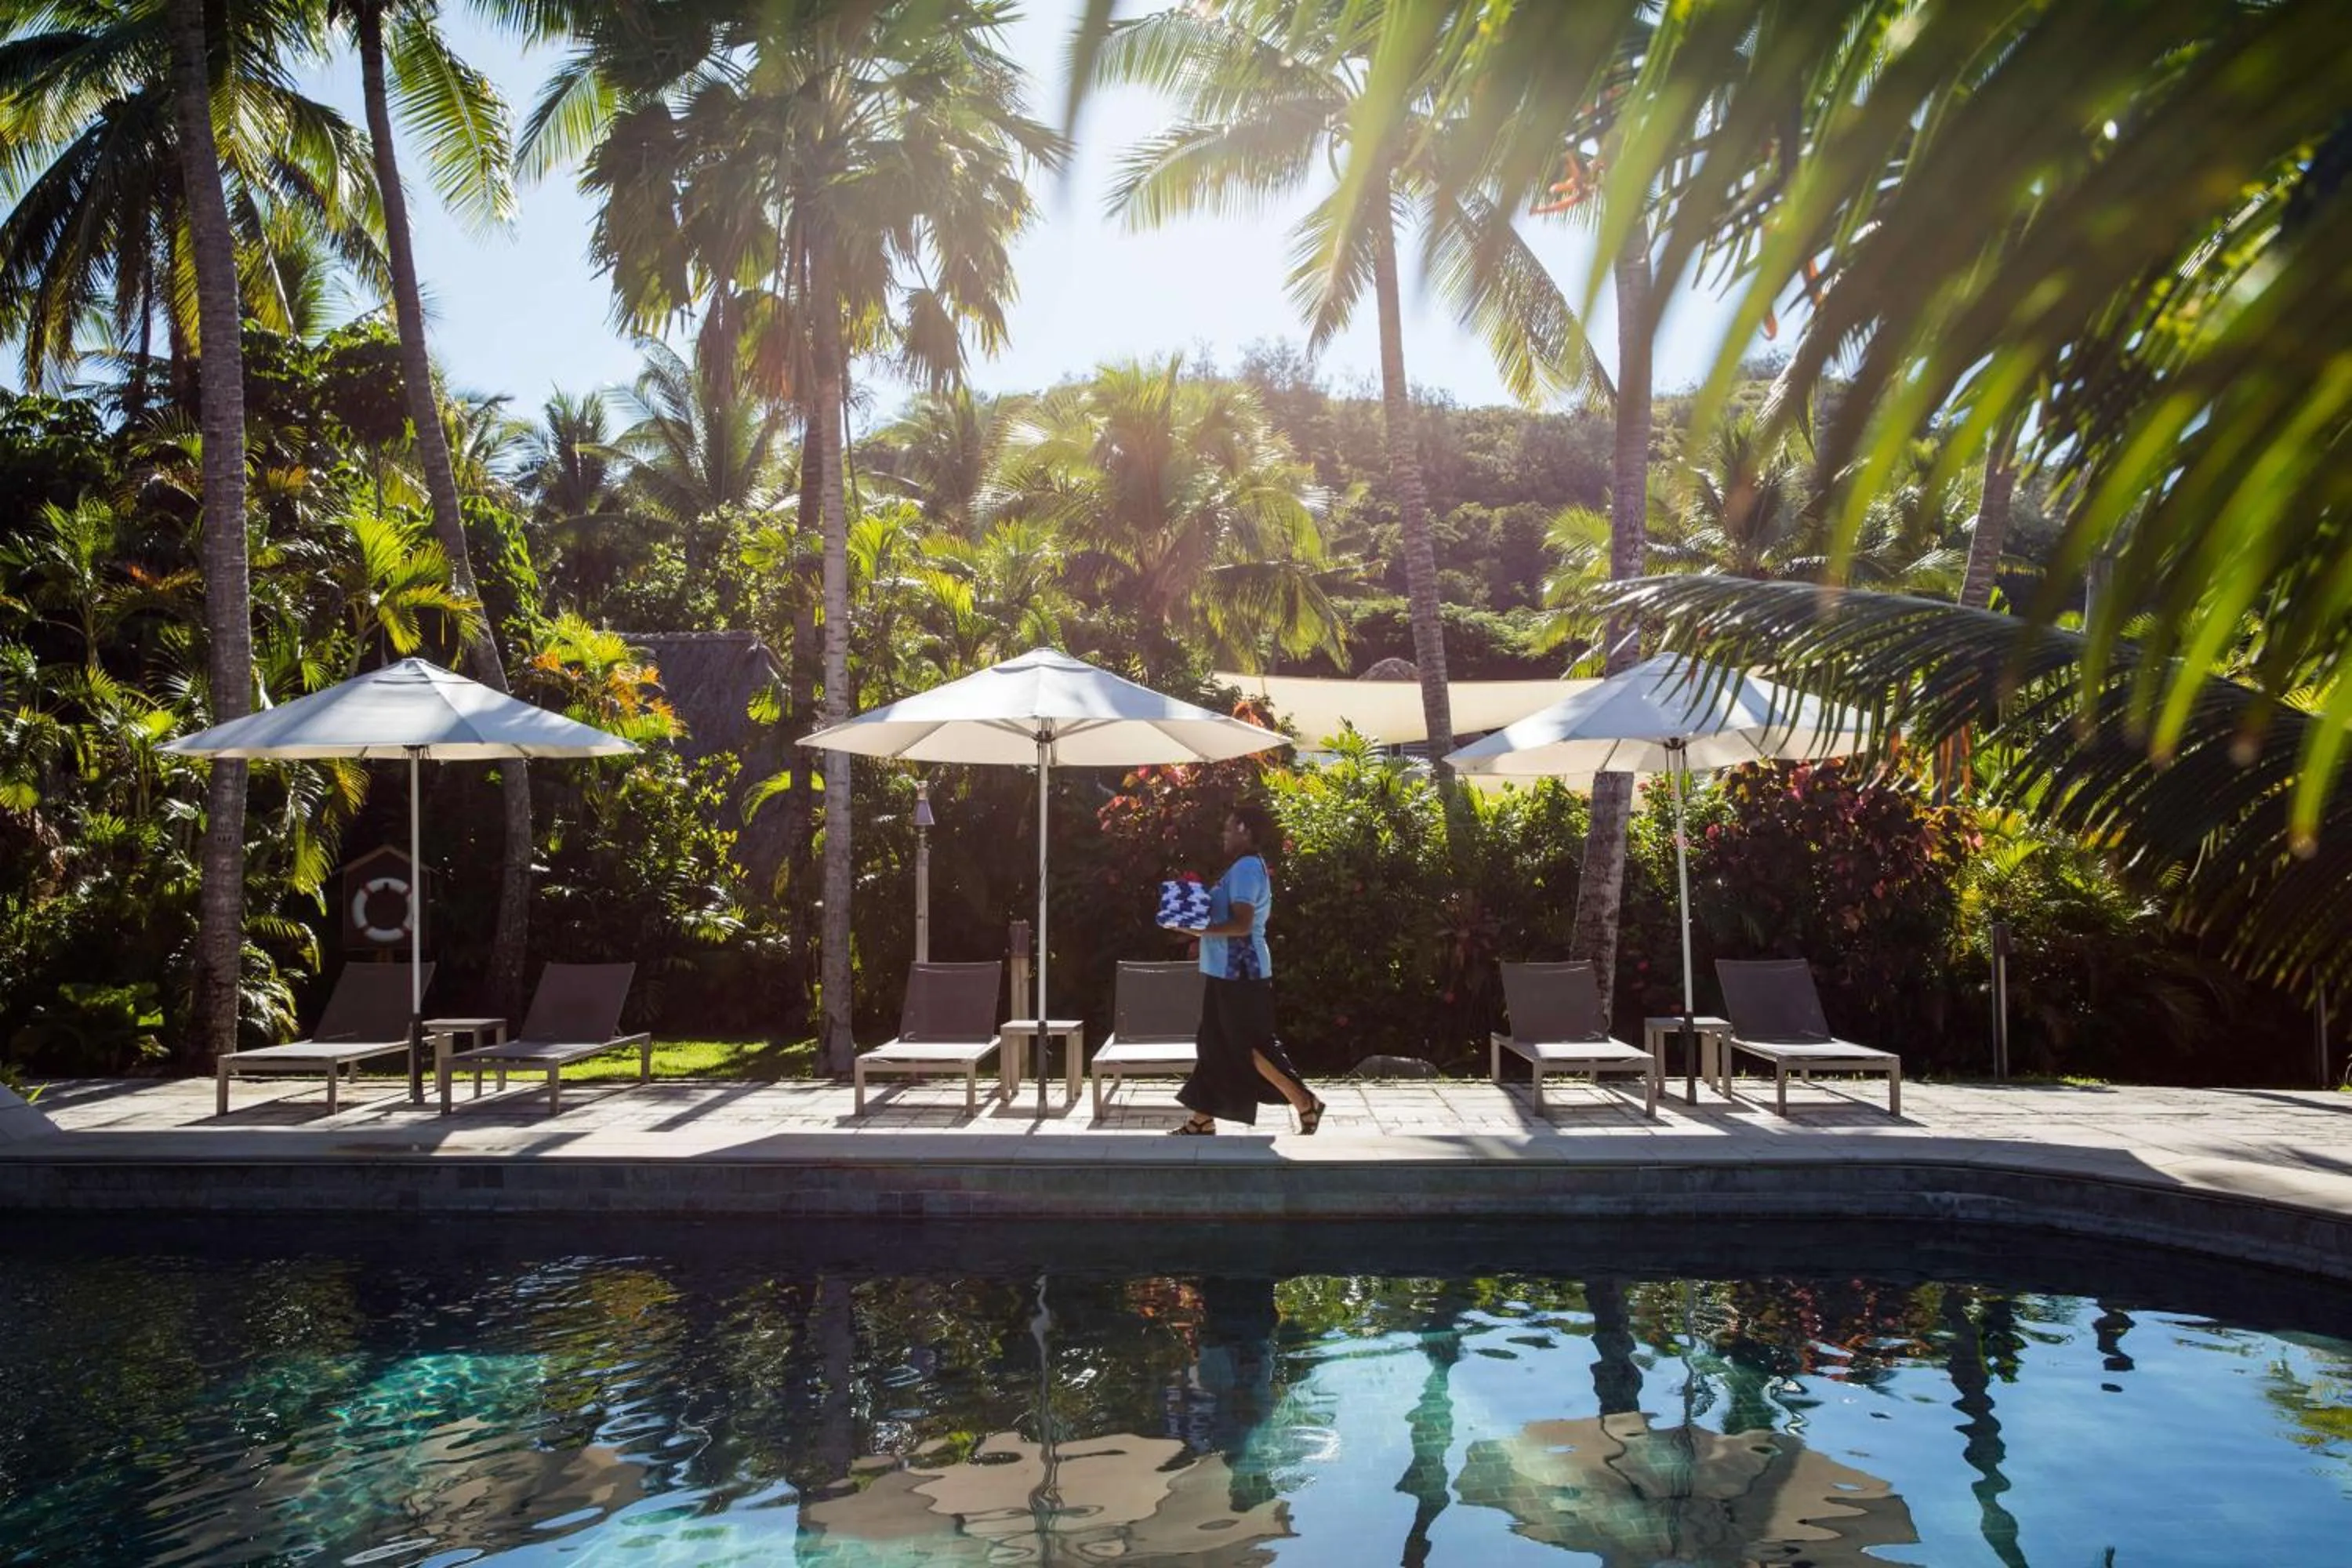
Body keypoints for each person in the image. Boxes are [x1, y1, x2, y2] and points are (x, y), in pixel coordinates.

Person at [1172, 804, 1325, 1135]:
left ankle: (1304, 1101)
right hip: (1225, 971)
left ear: (1244, 828)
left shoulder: (1245, 869)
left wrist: (1200, 931)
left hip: (1241, 971)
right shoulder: (1242, 868)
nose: (1223, 834)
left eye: (1228, 827)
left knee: (1247, 1046)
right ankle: (1202, 1118)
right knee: (1213, 1043)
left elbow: (1242, 924)